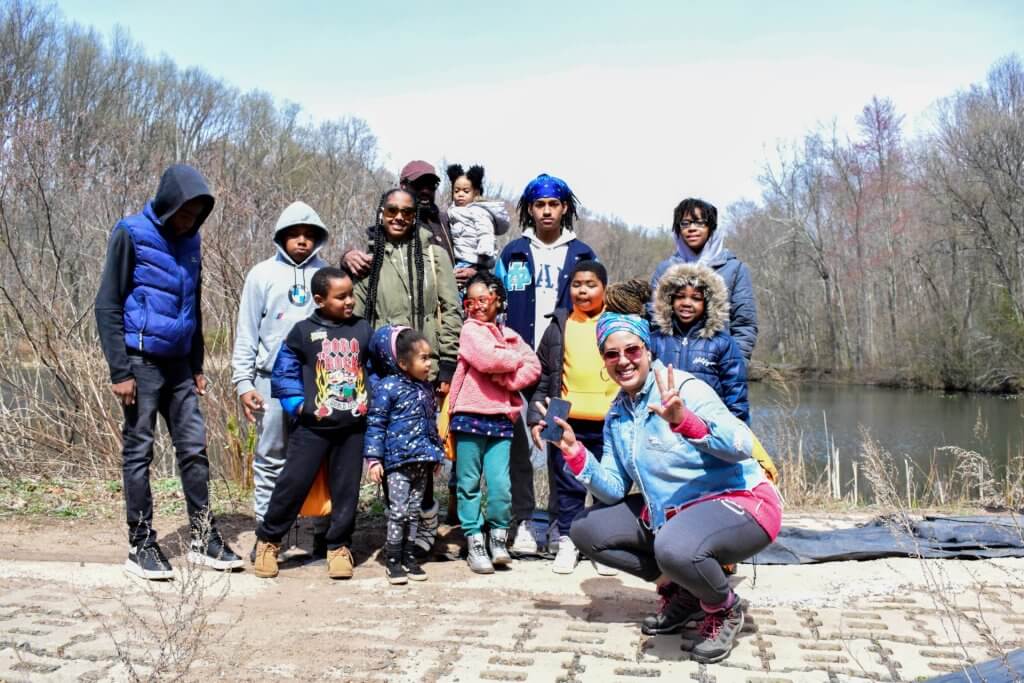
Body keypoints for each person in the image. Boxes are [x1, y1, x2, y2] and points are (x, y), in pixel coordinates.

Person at [534, 312, 781, 664]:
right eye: (612, 354)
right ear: (603, 360)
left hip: (741, 504)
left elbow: (741, 443)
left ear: (648, 351)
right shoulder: (618, 413)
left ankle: (724, 607)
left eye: (632, 350)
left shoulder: (684, 388)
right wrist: (575, 453)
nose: (623, 361)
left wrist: (685, 422)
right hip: (675, 515)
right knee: (585, 530)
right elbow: (614, 489)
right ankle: (686, 592)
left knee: (673, 546)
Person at [94, 163, 242, 579]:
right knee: (139, 453)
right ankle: (140, 544)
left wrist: (196, 364)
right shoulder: (131, 232)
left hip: (179, 364)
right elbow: (107, 304)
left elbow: (192, 303)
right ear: (166, 203)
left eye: (196, 214)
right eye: (183, 211)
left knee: (194, 449)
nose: (188, 220)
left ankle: (202, 537)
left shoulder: (191, 240)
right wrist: (119, 370)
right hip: (140, 363)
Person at [493, 173, 598, 556]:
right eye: (540, 205)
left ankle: (561, 523)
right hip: (519, 366)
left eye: (554, 204)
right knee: (519, 446)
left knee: (560, 444)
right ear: (531, 209)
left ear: (565, 207)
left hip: (562, 366)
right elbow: (497, 304)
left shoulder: (583, 254)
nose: (547, 211)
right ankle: (522, 520)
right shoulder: (513, 253)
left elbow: (597, 306)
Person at [353, 188, 462, 558]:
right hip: (384, 374)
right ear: (381, 212)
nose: (398, 217)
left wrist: (445, 362)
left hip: (425, 369)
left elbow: (452, 309)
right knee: (391, 450)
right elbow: (355, 316)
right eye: (391, 210)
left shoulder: (434, 255)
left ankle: (426, 521)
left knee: (426, 448)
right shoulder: (369, 258)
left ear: (416, 215)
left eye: (406, 212)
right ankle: (400, 530)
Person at [252, 267, 371, 580]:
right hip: (311, 428)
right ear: (319, 299)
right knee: (292, 484)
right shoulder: (302, 331)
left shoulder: (362, 329)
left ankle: (338, 546)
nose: (349, 301)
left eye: (351, 294)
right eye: (340, 296)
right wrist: (299, 406)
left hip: (351, 428)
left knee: (346, 491)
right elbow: (284, 373)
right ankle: (268, 540)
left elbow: (374, 370)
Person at [230, 201, 331, 558]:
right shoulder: (261, 275)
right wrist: (243, 383)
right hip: (269, 380)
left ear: (318, 239)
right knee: (270, 456)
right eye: (294, 235)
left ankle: (323, 532)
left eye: (308, 235)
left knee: (320, 457)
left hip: (317, 382)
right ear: (281, 237)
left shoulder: (327, 275)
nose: (302, 241)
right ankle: (269, 532)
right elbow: (247, 332)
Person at [526, 261, 619, 574]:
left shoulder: (617, 322)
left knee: (607, 484)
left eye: (591, 284)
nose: (583, 291)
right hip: (562, 416)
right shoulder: (558, 325)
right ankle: (568, 540)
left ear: (604, 287)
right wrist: (535, 416)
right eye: (577, 284)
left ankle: (602, 545)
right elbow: (542, 377)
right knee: (566, 486)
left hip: (610, 419)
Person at [448, 272, 540, 573]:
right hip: (468, 415)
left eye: (483, 300)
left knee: (501, 485)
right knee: (468, 483)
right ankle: (475, 539)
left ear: (498, 300)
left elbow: (533, 366)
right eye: (469, 301)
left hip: (501, 416)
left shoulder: (510, 335)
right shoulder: (470, 330)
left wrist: (503, 377)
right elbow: (486, 359)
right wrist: (509, 361)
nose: (476, 307)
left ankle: (498, 537)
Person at [364, 326, 446, 585]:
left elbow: (430, 424)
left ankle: (409, 557)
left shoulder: (425, 389)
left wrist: (436, 455)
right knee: (398, 511)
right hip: (397, 464)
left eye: (430, 358)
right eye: (423, 358)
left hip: (421, 461)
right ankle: (393, 559)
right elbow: (376, 424)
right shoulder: (387, 388)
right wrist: (374, 460)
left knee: (413, 512)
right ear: (402, 362)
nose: (428, 363)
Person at [649, 198, 758, 362]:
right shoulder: (665, 270)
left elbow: (744, 324)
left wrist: (736, 366)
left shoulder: (734, 269)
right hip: (670, 367)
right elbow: (653, 320)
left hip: (717, 366)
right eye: (685, 223)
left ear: (712, 228)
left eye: (700, 223)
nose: (692, 228)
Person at [342, 160, 478, 288]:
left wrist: (474, 272)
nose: (425, 191)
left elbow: (477, 254)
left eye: (431, 185)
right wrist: (348, 257)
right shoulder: (395, 223)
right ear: (403, 186)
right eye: (418, 185)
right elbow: (371, 257)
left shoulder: (449, 220)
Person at [651, 263, 749, 423]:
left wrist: (735, 435)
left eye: (696, 298)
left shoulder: (722, 343)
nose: (687, 303)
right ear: (669, 299)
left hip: (706, 428)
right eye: (680, 296)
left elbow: (736, 397)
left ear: (708, 303)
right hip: (662, 429)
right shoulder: (655, 340)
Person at [445, 163, 510, 276]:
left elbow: (485, 231)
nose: (460, 194)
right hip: (459, 259)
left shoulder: (478, 211)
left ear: (476, 193)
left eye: (466, 191)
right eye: (456, 191)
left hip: (473, 260)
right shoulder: (452, 211)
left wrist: (485, 251)